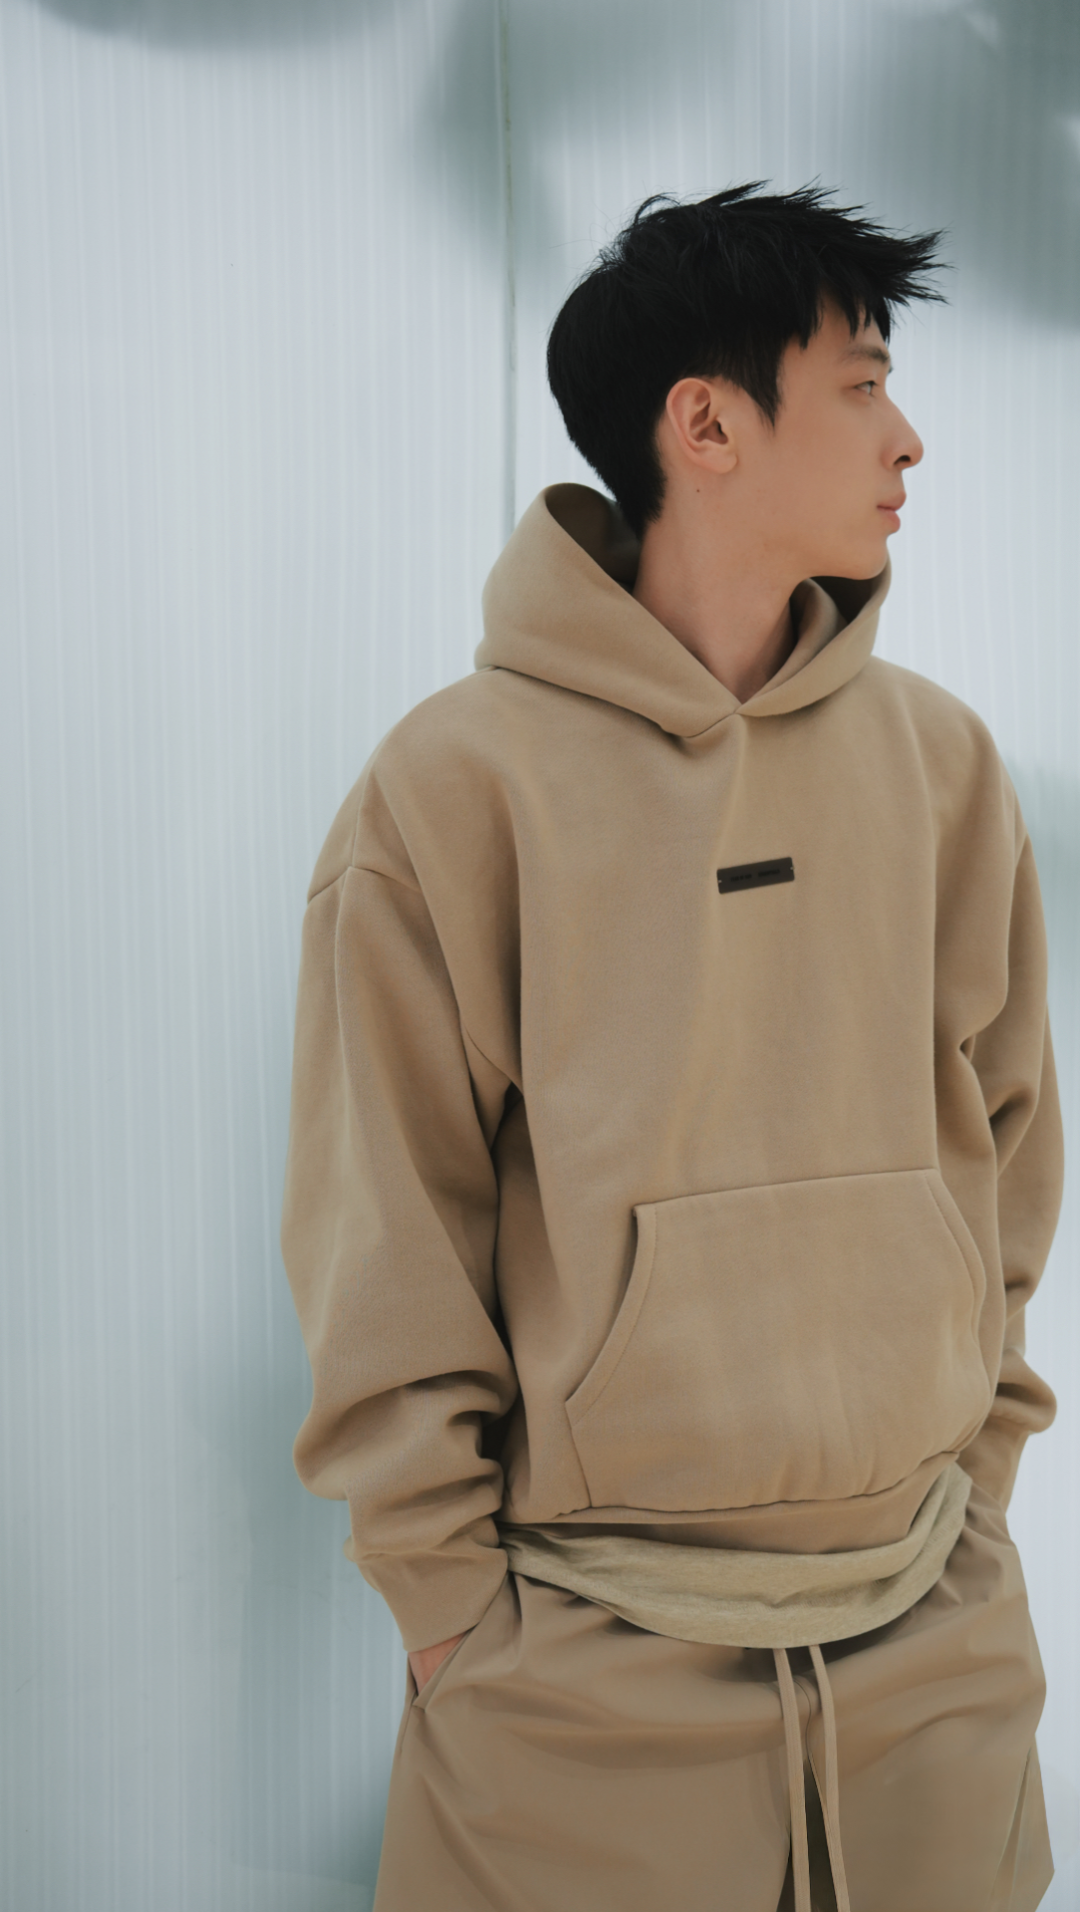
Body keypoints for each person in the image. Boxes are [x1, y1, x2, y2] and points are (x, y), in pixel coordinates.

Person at [280, 184, 1063, 1911]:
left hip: (932, 1653)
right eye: (863, 386)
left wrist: (984, 1488)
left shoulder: (943, 767)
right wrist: (449, 1615)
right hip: (580, 1683)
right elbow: (383, 1236)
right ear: (703, 425)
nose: (908, 438)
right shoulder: (453, 791)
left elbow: (1010, 1167)